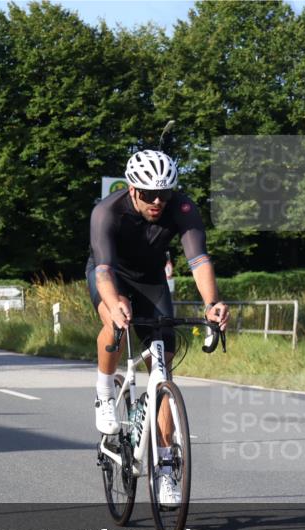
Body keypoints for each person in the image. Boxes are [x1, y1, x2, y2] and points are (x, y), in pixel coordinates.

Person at [87, 149, 229, 505]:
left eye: (163, 194)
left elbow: (198, 260)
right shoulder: (107, 211)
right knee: (113, 321)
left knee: (163, 369)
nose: (156, 202)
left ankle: (165, 468)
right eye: (148, 194)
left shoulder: (182, 208)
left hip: (151, 281)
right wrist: (114, 301)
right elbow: (103, 270)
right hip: (110, 275)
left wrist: (212, 305)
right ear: (132, 189)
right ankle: (104, 393)